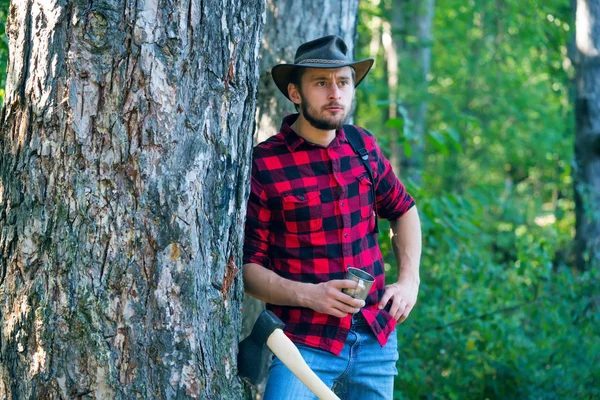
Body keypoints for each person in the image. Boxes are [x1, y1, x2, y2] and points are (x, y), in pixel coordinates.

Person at [243, 35, 422, 400]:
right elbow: (248, 270)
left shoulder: (363, 146)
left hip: (375, 338)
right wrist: (310, 295)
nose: (335, 94)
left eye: (343, 82)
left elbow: (404, 210)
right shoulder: (265, 163)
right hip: (302, 344)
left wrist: (409, 282)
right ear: (295, 93)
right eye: (321, 83)